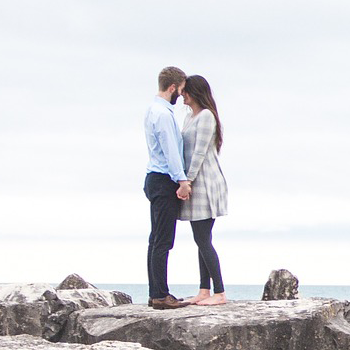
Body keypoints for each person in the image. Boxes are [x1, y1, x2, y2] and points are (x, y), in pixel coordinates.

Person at [143, 67, 192, 310]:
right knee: (163, 241)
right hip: (164, 179)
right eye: (181, 90)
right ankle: (160, 295)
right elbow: (171, 150)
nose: (181, 96)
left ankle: (156, 293)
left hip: (154, 177)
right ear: (172, 87)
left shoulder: (153, 110)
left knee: (156, 240)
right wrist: (182, 180)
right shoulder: (163, 114)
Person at [178, 75, 228, 306]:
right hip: (195, 182)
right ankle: (204, 289)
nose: (181, 94)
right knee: (201, 239)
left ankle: (220, 292)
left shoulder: (206, 116)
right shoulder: (190, 117)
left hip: (205, 182)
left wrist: (187, 180)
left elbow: (199, 153)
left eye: (185, 90)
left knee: (202, 239)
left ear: (195, 92)